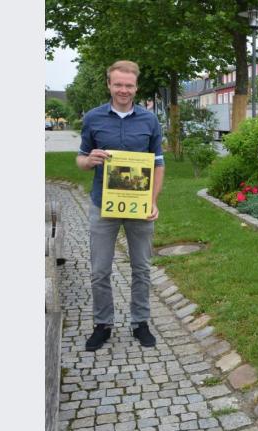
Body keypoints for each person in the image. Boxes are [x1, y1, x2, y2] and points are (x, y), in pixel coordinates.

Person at [77, 60, 165, 351]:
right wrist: (89, 161)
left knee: (141, 267)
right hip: (103, 204)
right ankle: (103, 324)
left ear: (136, 87)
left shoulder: (149, 121)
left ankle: (140, 322)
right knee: (100, 270)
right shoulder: (93, 118)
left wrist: (152, 202)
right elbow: (80, 159)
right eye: (118, 84)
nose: (123, 90)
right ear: (109, 85)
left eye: (129, 85)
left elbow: (159, 164)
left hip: (139, 207)